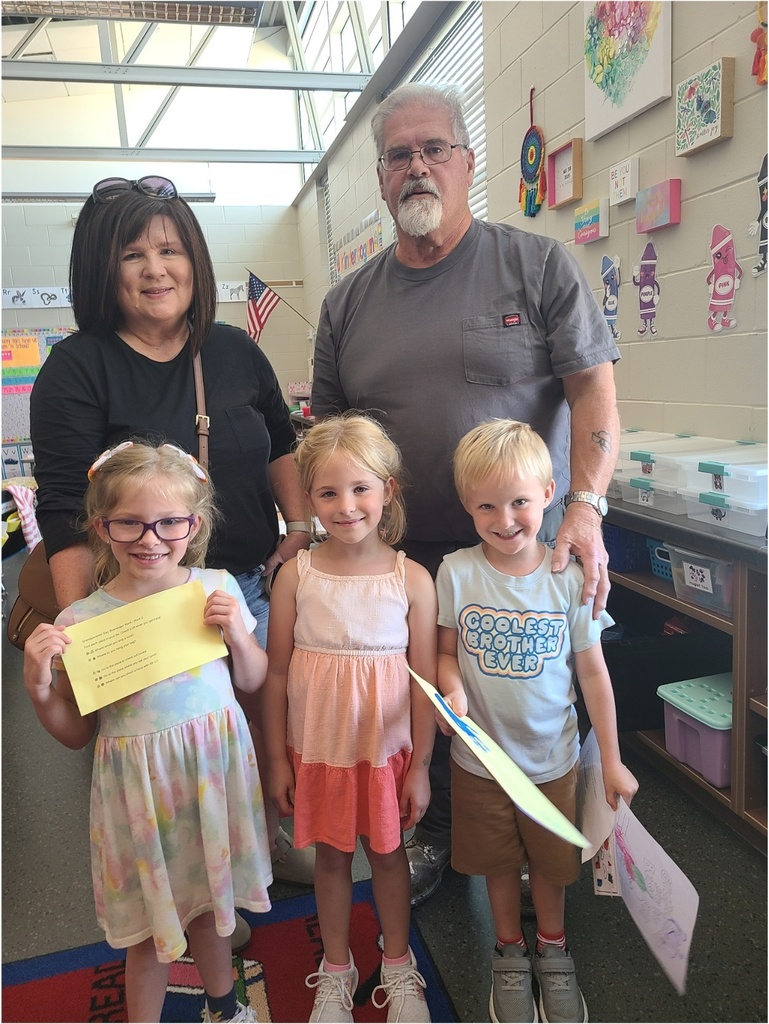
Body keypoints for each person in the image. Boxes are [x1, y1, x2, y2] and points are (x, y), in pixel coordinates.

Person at [311, 83, 621, 906]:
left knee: (540, 700)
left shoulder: (536, 264)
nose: (416, 167)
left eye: (432, 149)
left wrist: (585, 506)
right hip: (405, 566)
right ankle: (441, 839)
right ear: (379, 178)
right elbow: (330, 441)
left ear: (466, 162)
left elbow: (594, 393)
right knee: (430, 715)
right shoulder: (345, 304)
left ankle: (556, 838)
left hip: (527, 557)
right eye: (398, 155)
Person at [29, 174, 315, 938]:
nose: (157, 269)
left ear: (195, 258)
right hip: (143, 605)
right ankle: (185, 891)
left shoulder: (230, 349)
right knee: (159, 752)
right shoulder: (77, 369)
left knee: (244, 736)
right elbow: (62, 511)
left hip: (247, 584)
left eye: (170, 248)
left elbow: (279, 438)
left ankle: (246, 858)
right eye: (133, 254)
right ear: (103, 270)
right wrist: (86, 632)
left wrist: (300, 528)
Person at [23, 441, 273, 1023]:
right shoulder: (81, 622)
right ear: (100, 526)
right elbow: (76, 733)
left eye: (169, 523)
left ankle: (224, 1007)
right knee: (146, 934)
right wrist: (38, 690)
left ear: (196, 522)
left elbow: (253, 679)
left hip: (210, 783)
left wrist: (239, 633)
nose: (150, 538)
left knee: (213, 914)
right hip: (138, 798)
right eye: (129, 523)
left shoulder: (215, 590)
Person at [436, 419, 638, 1024]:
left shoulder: (568, 578)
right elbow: (446, 653)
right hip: (481, 764)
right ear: (467, 507)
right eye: (486, 506)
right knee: (499, 866)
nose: (505, 520)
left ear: (549, 494)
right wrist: (450, 689)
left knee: (550, 869)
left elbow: (595, 675)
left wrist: (615, 758)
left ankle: (553, 945)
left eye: (519, 501)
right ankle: (508, 949)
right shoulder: (457, 571)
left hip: (554, 761)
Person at [264, 413, 437, 1023]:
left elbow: (424, 684)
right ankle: (337, 970)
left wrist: (420, 767)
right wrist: (277, 757)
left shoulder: (411, 579)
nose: (345, 506)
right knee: (333, 859)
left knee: (389, 857)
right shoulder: (296, 575)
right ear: (308, 497)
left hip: (386, 754)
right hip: (318, 751)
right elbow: (278, 674)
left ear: (388, 489)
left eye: (360, 488)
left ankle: (398, 964)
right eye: (328, 492)